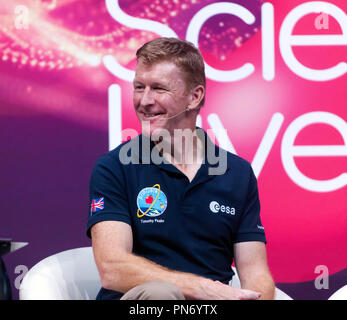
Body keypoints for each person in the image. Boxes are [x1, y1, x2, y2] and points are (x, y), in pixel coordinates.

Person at [87, 37, 275, 300]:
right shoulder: (115, 167)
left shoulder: (238, 174)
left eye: (159, 89)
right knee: (161, 294)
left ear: (194, 97)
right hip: (145, 303)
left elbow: (256, 273)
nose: (145, 101)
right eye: (139, 87)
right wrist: (203, 289)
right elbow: (112, 268)